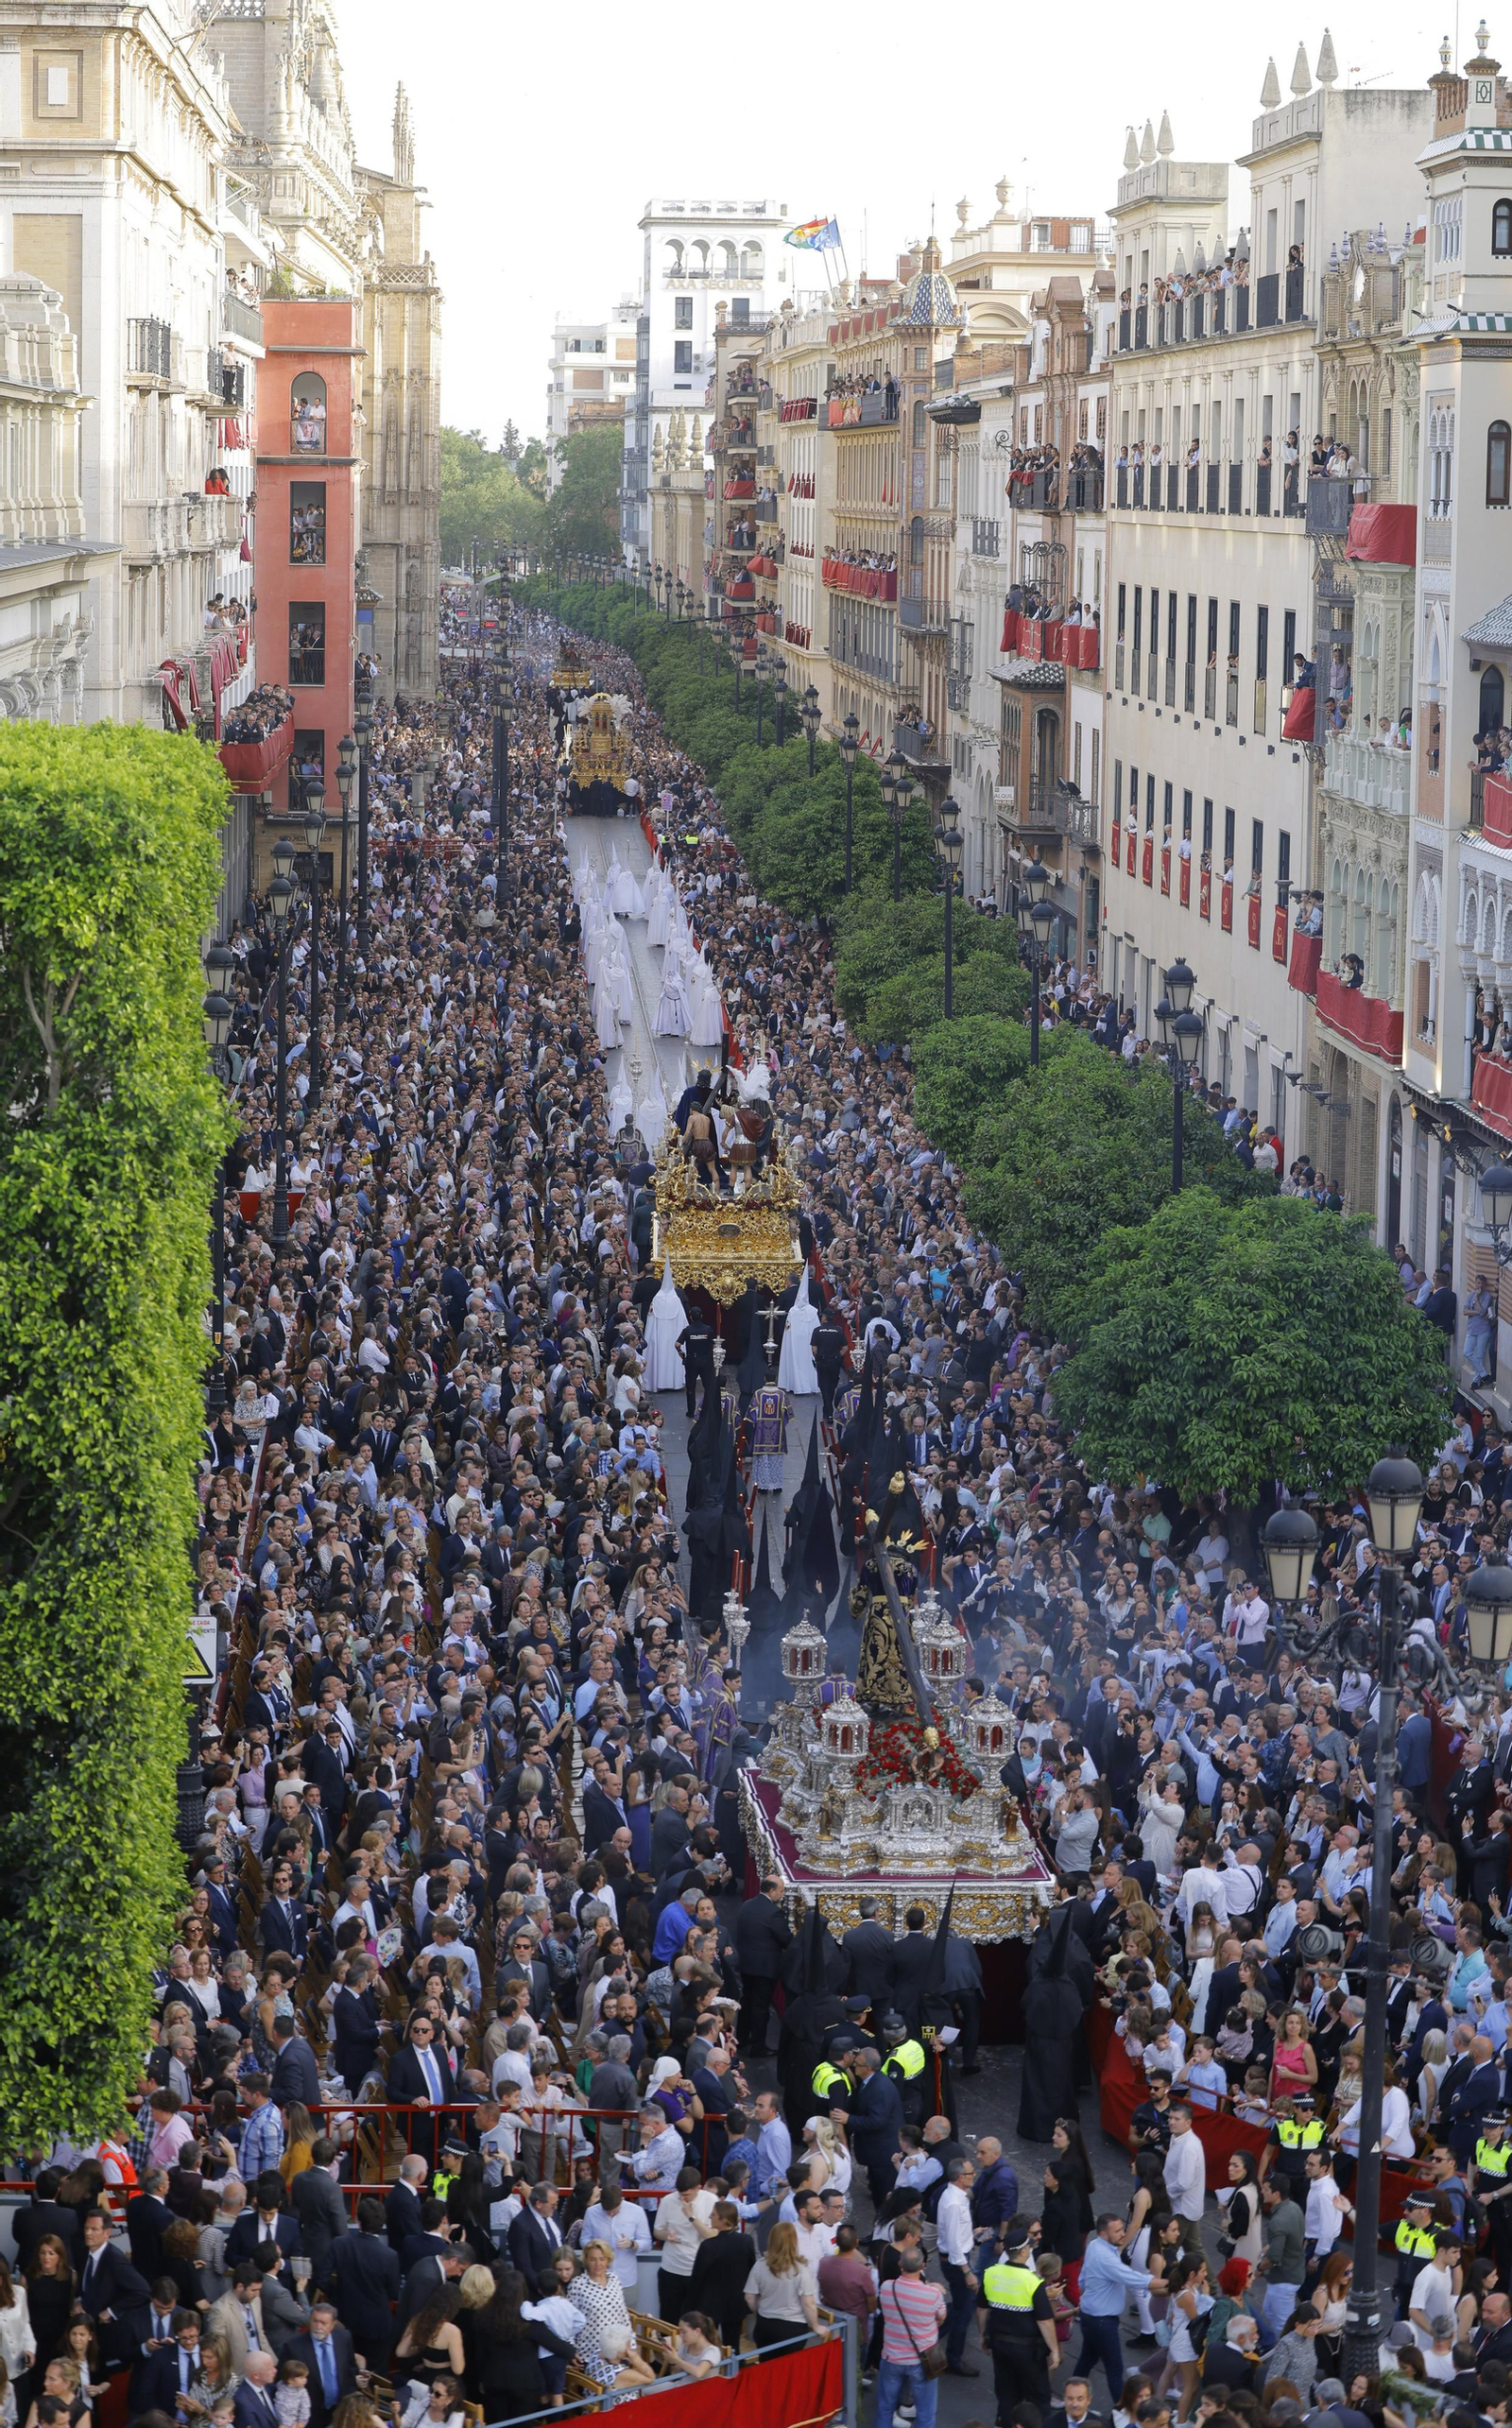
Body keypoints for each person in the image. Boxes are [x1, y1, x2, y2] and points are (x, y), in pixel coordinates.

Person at [875, 2244, 946, 2428]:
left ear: (900, 2264)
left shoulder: (886, 2288)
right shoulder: (933, 2295)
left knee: (885, 2408)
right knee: (926, 2413)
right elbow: (941, 2317)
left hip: (891, 2357)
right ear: (922, 2267)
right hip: (922, 2361)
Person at [743, 2222, 818, 2357]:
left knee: (767, 2369)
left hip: (765, 2325)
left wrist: (760, 2309)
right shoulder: (800, 2269)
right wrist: (816, 2325)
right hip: (792, 2328)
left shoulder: (760, 2265)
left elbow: (749, 2297)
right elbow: (808, 2303)